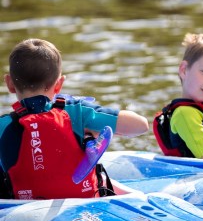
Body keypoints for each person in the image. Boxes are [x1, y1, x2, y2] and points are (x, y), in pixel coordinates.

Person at [0, 38, 149, 200]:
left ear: (9, 84)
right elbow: (141, 125)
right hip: (84, 201)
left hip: (21, 210)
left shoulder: (3, 125)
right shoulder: (76, 111)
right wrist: (89, 130)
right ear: (59, 84)